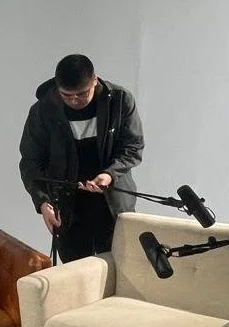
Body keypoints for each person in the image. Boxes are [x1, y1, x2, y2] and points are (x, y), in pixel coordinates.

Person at [18, 53, 144, 262]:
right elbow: (30, 162)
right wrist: (42, 201)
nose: (75, 100)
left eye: (81, 94)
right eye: (66, 95)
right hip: (68, 208)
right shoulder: (43, 110)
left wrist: (109, 175)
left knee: (118, 267)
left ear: (95, 80)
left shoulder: (120, 100)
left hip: (113, 203)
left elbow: (133, 146)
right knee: (75, 273)